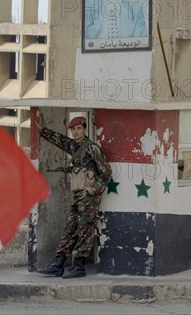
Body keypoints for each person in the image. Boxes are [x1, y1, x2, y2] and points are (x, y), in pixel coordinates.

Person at [37, 114, 112, 278]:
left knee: (84, 230)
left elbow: (106, 171)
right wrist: (42, 130)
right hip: (77, 196)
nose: (76, 132)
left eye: (79, 128)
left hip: (88, 197)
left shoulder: (91, 148)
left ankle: (79, 267)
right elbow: (61, 140)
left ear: (85, 129)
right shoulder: (74, 146)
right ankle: (58, 264)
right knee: (70, 228)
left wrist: (95, 188)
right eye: (73, 129)